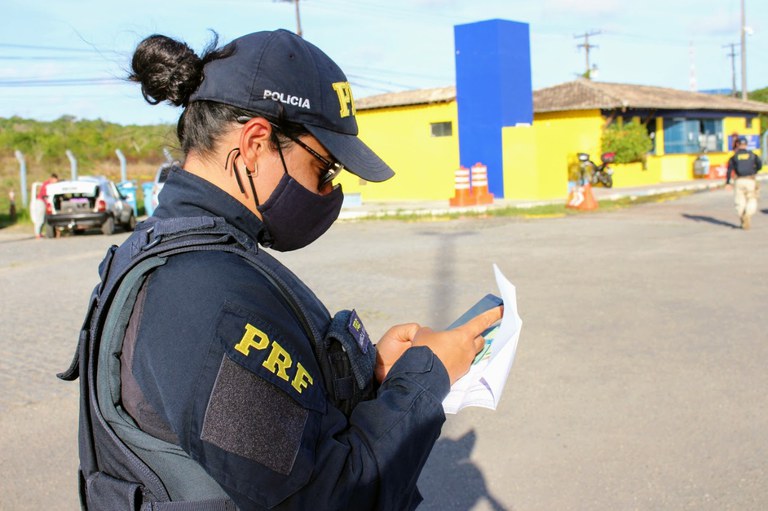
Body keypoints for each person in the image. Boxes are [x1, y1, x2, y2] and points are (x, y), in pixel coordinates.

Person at [84, 29, 501, 510]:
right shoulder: (201, 292)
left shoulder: (202, 256)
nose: (329, 192)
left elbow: (279, 433)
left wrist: (369, 377)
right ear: (256, 143)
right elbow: (329, 497)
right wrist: (425, 381)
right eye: (324, 169)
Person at [726, 136, 762, 230]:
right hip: (750, 180)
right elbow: (760, 165)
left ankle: (742, 216)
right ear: (746, 144)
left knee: (739, 201)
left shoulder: (734, 157)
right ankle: (748, 214)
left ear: (737, 144)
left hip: (739, 180)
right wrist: (754, 170)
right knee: (752, 199)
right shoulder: (752, 155)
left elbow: (729, 170)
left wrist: (728, 182)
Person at [31, 173, 58, 238]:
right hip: (41, 202)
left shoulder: (47, 184)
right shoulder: (47, 185)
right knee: (40, 219)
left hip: (42, 202)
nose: (56, 182)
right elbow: (45, 195)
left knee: (43, 219)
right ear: (52, 179)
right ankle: (37, 234)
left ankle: (39, 233)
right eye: (56, 180)